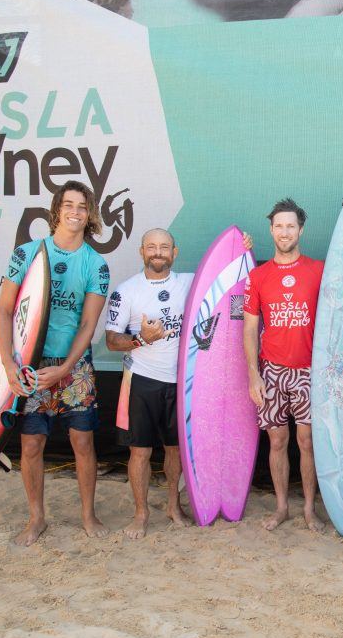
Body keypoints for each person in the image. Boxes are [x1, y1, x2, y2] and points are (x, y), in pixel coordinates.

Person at [104, 228, 252, 538]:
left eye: (164, 247)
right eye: (151, 247)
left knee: (176, 450)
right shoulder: (126, 291)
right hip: (141, 381)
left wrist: (243, 250)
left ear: (175, 252)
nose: (158, 252)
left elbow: (232, 283)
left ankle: (174, 505)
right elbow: (111, 341)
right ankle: (141, 513)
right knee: (140, 452)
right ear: (142, 252)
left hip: (183, 384)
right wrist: (140, 338)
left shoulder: (190, 284)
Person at [0, 180, 110, 546]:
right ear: (56, 210)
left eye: (82, 206)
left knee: (83, 441)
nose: (75, 212)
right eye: (69, 204)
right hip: (29, 363)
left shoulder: (96, 264)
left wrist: (65, 369)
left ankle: (88, 514)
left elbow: (89, 324)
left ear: (89, 214)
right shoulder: (27, 253)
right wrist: (9, 366)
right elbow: (4, 310)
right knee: (31, 445)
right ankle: (36, 518)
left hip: (73, 367)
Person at [244, 198, 325, 532]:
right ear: (271, 230)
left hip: (308, 370)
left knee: (307, 442)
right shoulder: (258, 275)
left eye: (291, 225)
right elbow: (250, 328)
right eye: (279, 225)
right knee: (277, 442)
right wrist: (253, 376)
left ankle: (308, 508)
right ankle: (281, 508)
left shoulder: (318, 270)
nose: (285, 231)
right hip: (272, 372)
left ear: (301, 229)